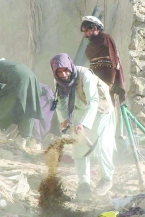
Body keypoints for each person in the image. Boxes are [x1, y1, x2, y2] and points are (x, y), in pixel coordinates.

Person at [50, 53, 116, 197]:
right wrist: (65, 120)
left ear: (70, 66)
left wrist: (84, 125)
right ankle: (84, 183)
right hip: (81, 110)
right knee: (79, 147)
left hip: (101, 109)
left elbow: (93, 101)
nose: (64, 74)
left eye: (65, 70)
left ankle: (107, 179)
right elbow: (60, 102)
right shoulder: (58, 81)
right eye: (59, 72)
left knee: (102, 145)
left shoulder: (85, 75)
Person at [81, 16, 126, 103]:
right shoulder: (93, 43)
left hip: (108, 81)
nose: (85, 35)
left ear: (94, 28)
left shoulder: (104, 39)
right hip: (98, 81)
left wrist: (110, 83)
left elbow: (112, 61)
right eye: (84, 32)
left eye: (86, 31)